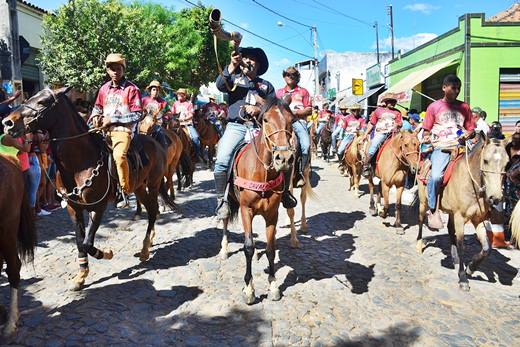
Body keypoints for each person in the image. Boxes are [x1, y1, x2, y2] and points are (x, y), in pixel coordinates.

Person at [213, 46, 296, 219]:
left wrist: (258, 108)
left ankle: (285, 194)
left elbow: (275, 108)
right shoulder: (233, 79)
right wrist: (231, 64)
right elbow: (220, 85)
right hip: (236, 127)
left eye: (251, 59)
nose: (247, 60)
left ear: (257, 64)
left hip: (260, 128)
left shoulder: (266, 86)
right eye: (245, 57)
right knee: (222, 160)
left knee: (284, 154)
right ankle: (222, 201)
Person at [421, 74, 475, 229]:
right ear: (444, 88)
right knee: (437, 176)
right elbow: (426, 130)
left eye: (458, 88)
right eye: (453, 88)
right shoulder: (434, 107)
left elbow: (471, 129)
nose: (456, 91)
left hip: (461, 145)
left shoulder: (464, 107)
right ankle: (433, 209)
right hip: (442, 146)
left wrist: (468, 134)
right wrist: (426, 137)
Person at [89, 53, 143, 208]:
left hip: (123, 130)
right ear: (107, 71)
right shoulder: (103, 89)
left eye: (118, 68)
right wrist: (95, 116)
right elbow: (97, 107)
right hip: (103, 130)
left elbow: (138, 114)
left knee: (119, 156)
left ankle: (124, 192)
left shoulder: (132, 89)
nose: (115, 72)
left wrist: (113, 119)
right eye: (112, 69)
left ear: (123, 69)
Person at [276, 66, 312, 187]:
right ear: (284, 76)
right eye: (287, 74)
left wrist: (295, 113)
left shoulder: (303, 91)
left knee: (306, 146)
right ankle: (275, 172)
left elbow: (309, 110)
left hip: (298, 121)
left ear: (297, 77)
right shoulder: (279, 92)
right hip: (281, 122)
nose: (290, 76)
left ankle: (301, 172)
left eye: (293, 75)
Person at [361, 92, 403, 177]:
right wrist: (365, 134)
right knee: (374, 146)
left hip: (394, 134)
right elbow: (372, 123)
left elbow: (400, 123)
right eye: (390, 101)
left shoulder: (398, 112)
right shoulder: (378, 111)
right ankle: (366, 165)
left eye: (393, 102)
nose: (392, 103)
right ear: (386, 102)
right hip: (381, 133)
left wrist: (397, 125)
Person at [173, 88, 202, 160]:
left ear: (185, 95)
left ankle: (196, 155)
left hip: (187, 125)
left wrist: (183, 119)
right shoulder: (175, 103)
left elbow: (191, 115)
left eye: (181, 94)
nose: (179, 95)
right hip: (177, 125)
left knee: (195, 138)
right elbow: (172, 113)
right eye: (178, 94)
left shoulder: (189, 104)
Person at [337, 103, 366, 172]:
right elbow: (343, 129)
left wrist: (360, 132)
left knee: (365, 150)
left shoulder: (362, 119)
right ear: (351, 111)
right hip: (348, 136)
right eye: (354, 110)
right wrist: (340, 138)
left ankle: (365, 166)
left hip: (358, 137)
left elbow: (364, 128)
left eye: (357, 110)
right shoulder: (347, 118)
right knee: (340, 150)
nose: (356, 112)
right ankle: (341, 163)